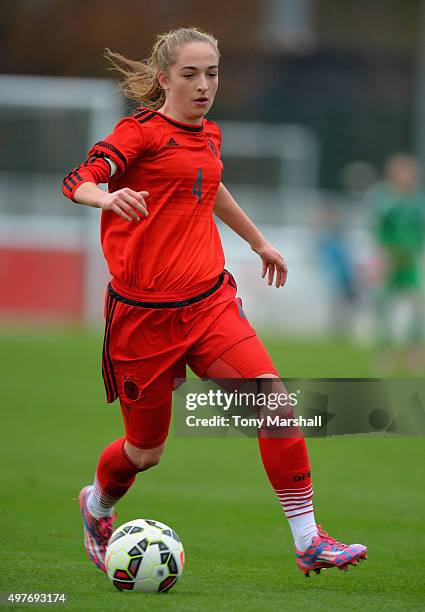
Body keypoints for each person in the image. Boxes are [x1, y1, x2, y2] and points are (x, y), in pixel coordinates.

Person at [62, 27, 367, 577]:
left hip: (208, 305)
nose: (204, 86)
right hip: (142, 320)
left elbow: (211, 182)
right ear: (164, 79)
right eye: (190, 74)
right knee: (145, 451)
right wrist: (106, 194)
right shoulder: (138, 135)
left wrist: (258, 241)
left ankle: (309, 540)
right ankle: (97, 504)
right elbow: (79, 179)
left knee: (274, 405)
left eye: (212, 73)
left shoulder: (209, 134)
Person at [368, 154, 425, 373]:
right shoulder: (382, 197)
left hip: (410, 260)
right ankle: (385, 351)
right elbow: (378, 229)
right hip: (389, 259)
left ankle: (414, 351)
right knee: (384, 305)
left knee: (417, 307)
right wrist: (380, 258)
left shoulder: (418, 200)